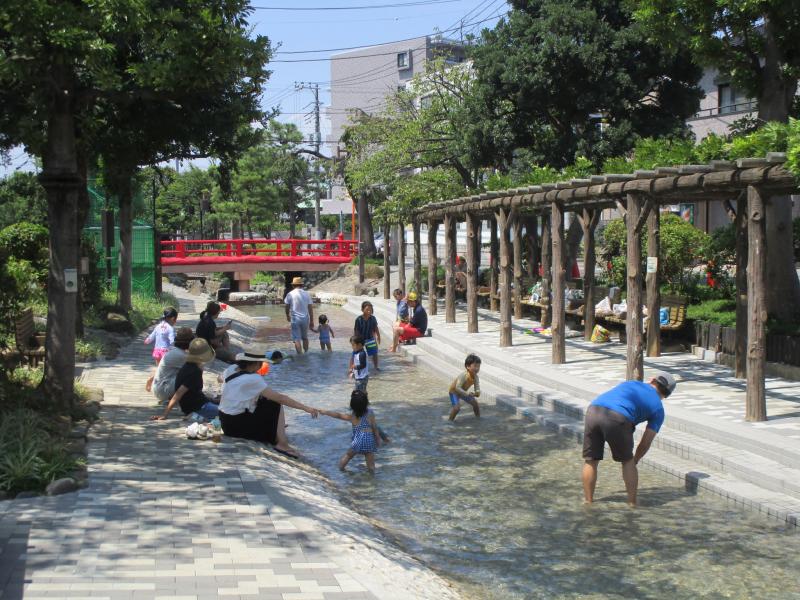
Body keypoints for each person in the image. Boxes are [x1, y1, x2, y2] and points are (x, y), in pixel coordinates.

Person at [582, 373, 676, 507]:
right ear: (666, 395)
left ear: (652, 380)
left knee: (590, 460)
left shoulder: (631, 383)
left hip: (593, 410)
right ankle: (632, 504)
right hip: (618, 417)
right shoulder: (658, 410)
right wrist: (635, 460)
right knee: (627, 461)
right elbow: (645, 443)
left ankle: (588, 502)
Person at [218, 349, 320, 459]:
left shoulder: (231, 369)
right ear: (257, 364)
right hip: (237, 428)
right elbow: (281, 398)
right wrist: (306, 408)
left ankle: (277, 429)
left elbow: (219, 379)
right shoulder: (253, 378)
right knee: (275, 404)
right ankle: (283, 444)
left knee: (263, 399)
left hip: (224, 422)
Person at [151, 338, 220, 421]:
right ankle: (196, 416)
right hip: (198, 407)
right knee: (228, 414)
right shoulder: (194, 371)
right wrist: (165, 415)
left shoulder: (188, 365)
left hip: (200, 401)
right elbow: (178, 394)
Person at [321, 389, 382, 474]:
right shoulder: (370, 413)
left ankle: (340, 469)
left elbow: (338, 415)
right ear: (366, 403)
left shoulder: (352, 417)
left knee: (348, 456)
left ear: (352, 406)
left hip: (357, 443)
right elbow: (375, 427)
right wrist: (378, 438)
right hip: (369, 441)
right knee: (370, 463)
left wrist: (325, 412)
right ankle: (372, 478)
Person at [151, 327, 194, 403]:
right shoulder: (180, 355)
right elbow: (196, 368)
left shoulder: (174, 350)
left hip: (159, 387)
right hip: (162, 391)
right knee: (192, 375)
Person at [144, 307, 178, 391]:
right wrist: (176, 347)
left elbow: (151, 336)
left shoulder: (158, 326)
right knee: (162, 370)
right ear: (173, 318)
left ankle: (155, 384)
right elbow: (172, 341)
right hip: (165, 352)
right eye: (175, 320)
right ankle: (152, 380)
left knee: (159, 368)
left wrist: (147, 341)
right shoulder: (170, 328)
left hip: (157, 351)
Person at [284, 276, 314, 353]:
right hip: (305, 319)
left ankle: (300, 357)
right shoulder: (307, 294)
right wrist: (312, 320)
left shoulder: (290, 294)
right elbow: (310, 308)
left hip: (295, 319)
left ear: (293, 285)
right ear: (301, 285)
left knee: (297, 339)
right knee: (305, 338)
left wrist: (287, 315)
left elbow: (287, 306)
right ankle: (306, 354)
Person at [448, 354, 482, 421]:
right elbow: (457, 387)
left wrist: (477, 393)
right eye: (475, 366)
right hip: (454, 392)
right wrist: (467, 393)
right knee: (456, 408)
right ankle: (449, 422)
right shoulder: (464, 375)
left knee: (475, 404)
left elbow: (477, 387)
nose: (477, 368)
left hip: (463, 392)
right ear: (468, 366)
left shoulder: (476, 377)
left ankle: (478, 418)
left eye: (478, 366)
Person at [354, 301, 380, 369]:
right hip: (361, 340)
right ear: (362, 310)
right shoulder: (359, 319)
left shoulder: (373, 318)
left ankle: (376, 367)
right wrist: (356, 341)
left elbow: (376, 328)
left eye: (371, 309)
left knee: (374, 353)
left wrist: (378, 337)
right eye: (367, 309)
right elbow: (356, 331)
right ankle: (356, 368)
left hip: (370, 339)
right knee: (358, 354)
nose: (369, 311)